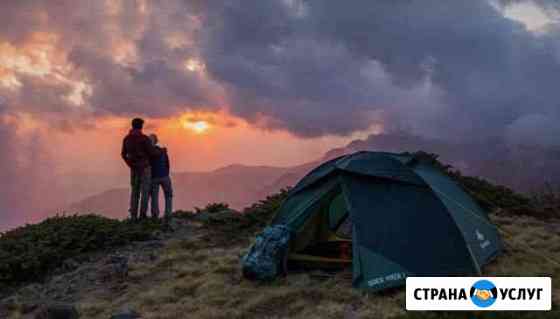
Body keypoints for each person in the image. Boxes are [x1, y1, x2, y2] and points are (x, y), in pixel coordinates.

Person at [121, 118, 162, 221]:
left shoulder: (126, 139)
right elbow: (152, 153)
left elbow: (123, 154)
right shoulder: (144, 139)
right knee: (145, 192)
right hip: (145, 168)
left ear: (132, 125)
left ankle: (133, 216)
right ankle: (142, 215)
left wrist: (130, 164)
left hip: (133, 170)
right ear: (141, 126)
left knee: (134, 192)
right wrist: (161, 151)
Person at [148, 134, 173, 224]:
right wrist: (166, 173)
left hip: (153, 177)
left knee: (154, 197)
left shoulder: (148, 153)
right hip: (164, 176)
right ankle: (168, 214)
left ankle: (155, 216)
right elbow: (167, 163)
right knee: (168, 195)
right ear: (156, 141)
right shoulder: (162, 151)